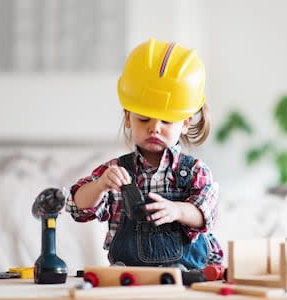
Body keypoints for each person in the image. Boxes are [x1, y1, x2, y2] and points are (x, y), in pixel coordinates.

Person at [66, 38, 223, 270]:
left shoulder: (195, 171)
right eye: (143, 118)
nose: (154, 127)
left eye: (167, 120)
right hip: (131, 275)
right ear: (128, 117)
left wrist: (177, 210)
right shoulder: (115, 171)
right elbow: (77, 207)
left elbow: (205, 214)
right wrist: (100, 185)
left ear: (186, 123)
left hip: (188, 277)